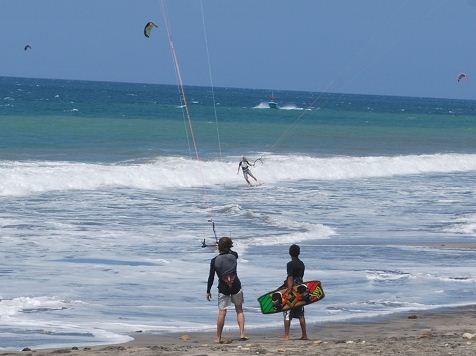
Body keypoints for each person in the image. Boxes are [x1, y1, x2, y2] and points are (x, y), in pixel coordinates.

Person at [206, 237, 247, 343]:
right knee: (239, 310)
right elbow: (232, 252)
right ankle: (242, 334)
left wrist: (208, 290)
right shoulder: (234, 255)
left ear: (219, 247)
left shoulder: (214, 260)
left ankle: (218, 337)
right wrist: (227, 247)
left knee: (222, 312)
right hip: (236, 286)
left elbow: (211, 277)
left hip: (223, 288)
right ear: (230, 246)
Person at [283, 244, 308, 341]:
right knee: (300, 313)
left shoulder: (290, 264)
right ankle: (304, 335)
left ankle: (286, 335)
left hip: (292, 288)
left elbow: (290, 277)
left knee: (287, 312)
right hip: (301, 289)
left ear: (290, 253)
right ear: (299, 253)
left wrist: (289, 290)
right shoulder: (302, 263)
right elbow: (300, 277)